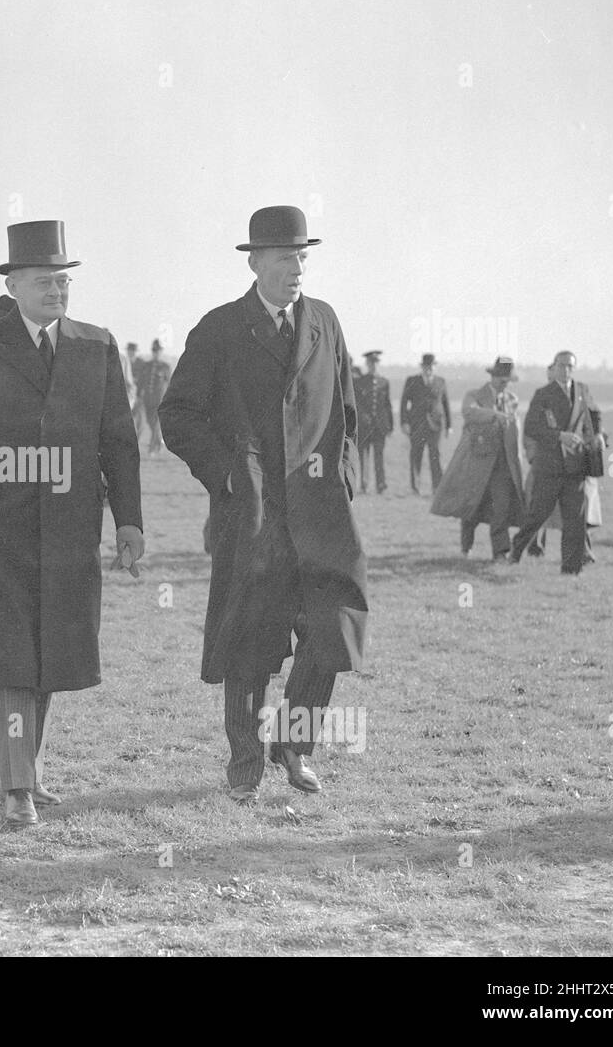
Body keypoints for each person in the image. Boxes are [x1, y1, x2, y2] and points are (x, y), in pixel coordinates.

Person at [0, 220, 144, 828]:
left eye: (64, 279)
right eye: (45, 280)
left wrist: (128, 523)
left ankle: (29, 770)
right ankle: (16, 787)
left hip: (72, 530)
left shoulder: (97, 346)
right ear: (15, 284)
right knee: (6, 657)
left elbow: (119, 443)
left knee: (49, 654)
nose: (58, 289)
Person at [159, 205, 367, 803]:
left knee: (331, 630)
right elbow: (178, 414)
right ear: (255, 263)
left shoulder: (325, 322)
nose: (296, 269)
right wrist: (227, 474)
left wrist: (345, 474)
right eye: (284, 258)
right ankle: (245, 762)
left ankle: (294, 747)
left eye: (302, 257)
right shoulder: (221, 328)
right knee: (251, 639)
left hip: (322, 510)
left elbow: (348, 411)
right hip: (253, 514)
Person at [508, 351, 605, 573]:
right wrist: (559, 436)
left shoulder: (582, 390)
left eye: (570, 366)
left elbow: (595, 413)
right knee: (538, 515)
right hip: (549, 466)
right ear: (554, 366)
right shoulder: (543, 394)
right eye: (562, 365)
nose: (566, 370)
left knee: (575, 519)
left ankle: (570, 570)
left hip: (575, 465)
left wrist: (598, 434)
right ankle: (517, 547)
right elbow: (532, 427)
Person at [430, 357, 526, 559]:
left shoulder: (512, 400)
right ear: (492, 376)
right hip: (476, 462)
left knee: (501, 507)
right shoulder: (474, 395)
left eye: (507, 379)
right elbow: (469, 412)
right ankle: (467, 547)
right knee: (471, 507)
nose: (504, 382)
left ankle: (500, 552)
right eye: (501, 378)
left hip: (502, 464)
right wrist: (495, 415)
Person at [524, 364, 600, 562]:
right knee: (539, 509)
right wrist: (535, 458)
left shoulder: (579, 397)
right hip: (545, 466)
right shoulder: (542, 400)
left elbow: (590, 421)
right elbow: (530, 435)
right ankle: (535, 546)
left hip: (575, 464)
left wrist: (592, 441)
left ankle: (583, 552)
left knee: (581, 509)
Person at [401, 352, 452, 494]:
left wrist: (449, 426)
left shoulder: (441, 381)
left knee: (435, 456)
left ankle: (437, 487)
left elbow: (446, 404)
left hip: (436, 425)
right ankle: (415, 487)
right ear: (422, 366)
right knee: (416, 455)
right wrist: (404, 422)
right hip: (416, 424)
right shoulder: (412, 380)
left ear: (435, 367)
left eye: (431, 366)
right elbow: (404, 402)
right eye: (426, 366)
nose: (428, 369)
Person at [354, 350, 394, 494]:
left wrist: (390, 426)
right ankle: (364, 485)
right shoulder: (359, 382)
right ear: (367, 364)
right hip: (364, 426)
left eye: (376, 363)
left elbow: (387, 405)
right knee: (363, 456)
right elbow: (356, 403)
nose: (374, 366)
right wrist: (362, 416)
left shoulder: (384, 382)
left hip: (379, 427)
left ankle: (381, 484)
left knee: (379, 456)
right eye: (371, 363)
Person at [136, 339, 172, 455]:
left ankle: (152, 448)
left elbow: (170, 384)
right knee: (149, 422)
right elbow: (141, 382)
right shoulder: (146, 366)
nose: (155, 353)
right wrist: (138, 395)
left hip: (160, 400)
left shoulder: (165, 367)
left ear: (161, 352)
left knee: (156, 423)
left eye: (157, 350)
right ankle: (158, 441)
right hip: (147, 399)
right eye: (154, 350)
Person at [125, 342, 146, 436]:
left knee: (139, 420)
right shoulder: (123, 362)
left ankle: (137, 439)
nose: (131, 353)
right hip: (125, 395)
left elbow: (144, 380)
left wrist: (140, 395)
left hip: (137, 395)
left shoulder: (142, 364)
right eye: (129, 351)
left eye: (133, 351)